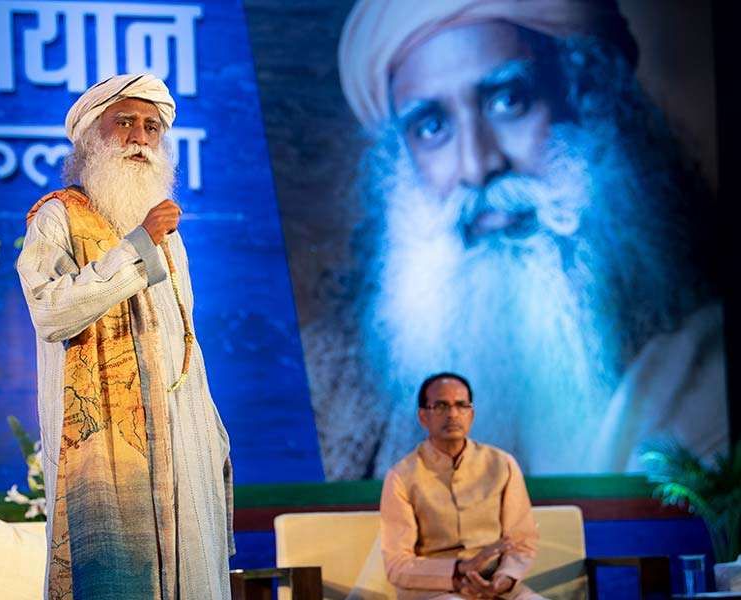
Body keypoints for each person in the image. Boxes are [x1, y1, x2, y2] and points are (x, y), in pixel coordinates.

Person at [303, 0, 726, 479]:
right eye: (432, 126)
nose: (477, 163)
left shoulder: (696, 361)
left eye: (508, 101)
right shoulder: (329, 382)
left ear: (584, 103)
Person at [16, 73, 234, 600]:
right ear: (92, 136)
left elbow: (184, 346)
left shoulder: (166, 235)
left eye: (152, 126)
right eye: (125, 122)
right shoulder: (57, 217)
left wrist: (212, 436)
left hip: (183, 440)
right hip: (107, 445)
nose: (140, 137)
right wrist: (138, 246)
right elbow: (50, 311)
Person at [380, 373, 541, 600]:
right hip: (435, 591)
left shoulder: (502, 464)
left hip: (497, 586)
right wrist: (460, 569)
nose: (453, 414)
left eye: (461, 405)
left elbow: (522, 541)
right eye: (441, 406)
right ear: (423, 417)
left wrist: (503, 580)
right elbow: (397, 565)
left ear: (471, 415)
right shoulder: (401, 476)